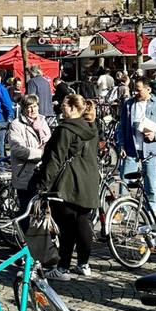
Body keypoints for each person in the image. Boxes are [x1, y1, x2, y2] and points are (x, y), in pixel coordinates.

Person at [36, 95, 100, 279]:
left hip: (68, 183)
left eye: (64, 105)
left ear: (72, 108)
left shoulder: (66, 129)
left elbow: (55, 159)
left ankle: (63, 267)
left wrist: (43, 184)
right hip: (89, 180)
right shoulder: (91, 127)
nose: (60, 108)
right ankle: (83, 264)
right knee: (82, 223)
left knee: (67, 227)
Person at [116, 74, 156, 214]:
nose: (136, 92)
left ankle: (150, 213)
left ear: (148, 90)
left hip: (151, 150)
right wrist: (121, 145)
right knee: (125, 181)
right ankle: (122, 211)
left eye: (139, 90)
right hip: (131, 149)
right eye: (135, 89)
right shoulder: (129, 104)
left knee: (151, 184)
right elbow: (122, 126)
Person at [9, 95, 52, 220]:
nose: (32, 110)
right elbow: (18, 150)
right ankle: (25, 238)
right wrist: (42, 154)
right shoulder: (16, 125)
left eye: (34, 106)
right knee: (27, 212)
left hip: (43, 172)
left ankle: (40, 238)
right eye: (29, 107)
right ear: (23, 108)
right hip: (25, 173)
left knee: (43, 211)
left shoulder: (43, 122)